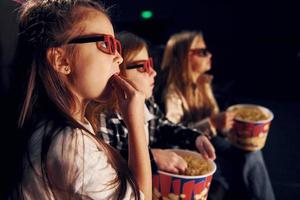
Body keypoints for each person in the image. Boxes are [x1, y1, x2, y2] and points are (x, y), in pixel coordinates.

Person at [10, 1, 151, 199]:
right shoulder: (71, 145)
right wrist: (135, 123)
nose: (119, 58)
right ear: (61, 60)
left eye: (116, 45)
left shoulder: (61, 128)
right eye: (106, 44)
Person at [161, 30, 275, 200]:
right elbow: (172, 133)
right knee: (239, 164)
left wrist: (228, 123)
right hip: (191, 150)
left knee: (252, 152)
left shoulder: (203, 83)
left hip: (212, 142)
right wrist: (212, 122)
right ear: (185, 57)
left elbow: (216, 120)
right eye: (203, 52)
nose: (210, 55)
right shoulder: (172, 93)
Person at [92, 31, 216, 175]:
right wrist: (151, 156)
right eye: (142, 67)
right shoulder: (104, 117)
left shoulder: (147, 102)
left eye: (150, 64)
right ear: (117, 73)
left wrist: (195, 137)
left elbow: (163, 126)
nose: (153, 72)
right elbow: (110, 161)